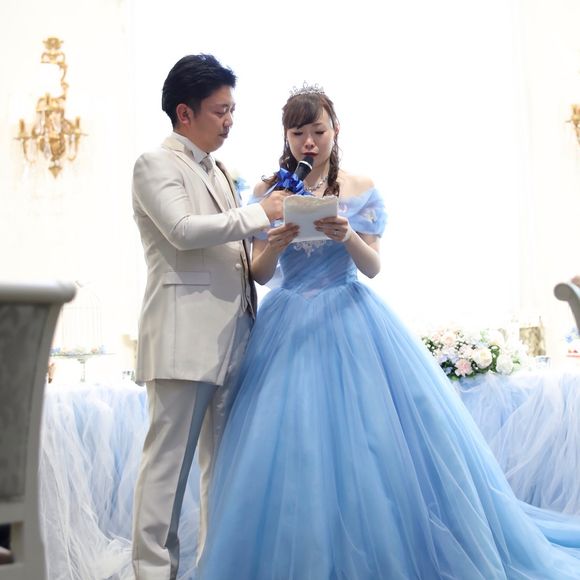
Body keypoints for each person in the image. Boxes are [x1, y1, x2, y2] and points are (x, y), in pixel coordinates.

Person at [197, 85, 580, 579]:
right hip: (287, 325)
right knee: (291, 447)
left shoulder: (360, 187)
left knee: (371, 445)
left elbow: (373, 267)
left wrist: (347, 236)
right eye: (298, 133)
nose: (309, 141)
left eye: (318, 130)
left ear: (336, 131)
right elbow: (261, 274)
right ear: (286, 137)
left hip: (350, 318)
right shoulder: (268, 192)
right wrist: (276, 243)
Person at [131, 54, 288, 580]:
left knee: (222, 470)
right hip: (183, 340)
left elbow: (235, 248)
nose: (229, 120)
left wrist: (273, 233)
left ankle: (215, 568)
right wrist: (258, 213)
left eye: (232, 110)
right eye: (220, 110)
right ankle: (154, 573)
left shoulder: (219, 170)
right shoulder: (155, 164)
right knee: (167, 471)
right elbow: (182, 230)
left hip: (233, 338)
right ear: (185, 112)